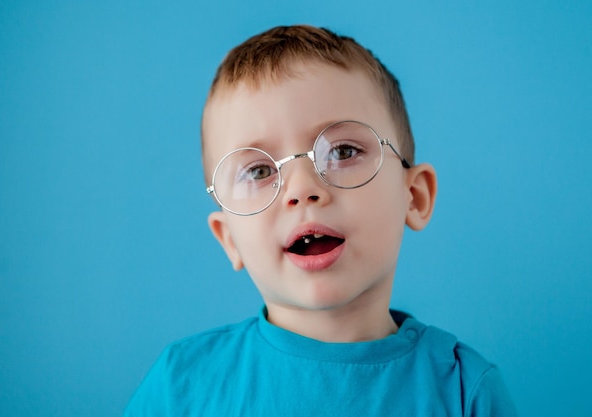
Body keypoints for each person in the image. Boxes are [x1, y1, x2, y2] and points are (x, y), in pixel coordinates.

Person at [124, 25, 517, 416]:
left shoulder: (464, 391)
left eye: (343, 151)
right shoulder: (180, 387)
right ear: (229, 239)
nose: (301, 190)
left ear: (413, 196)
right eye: (259, 172)